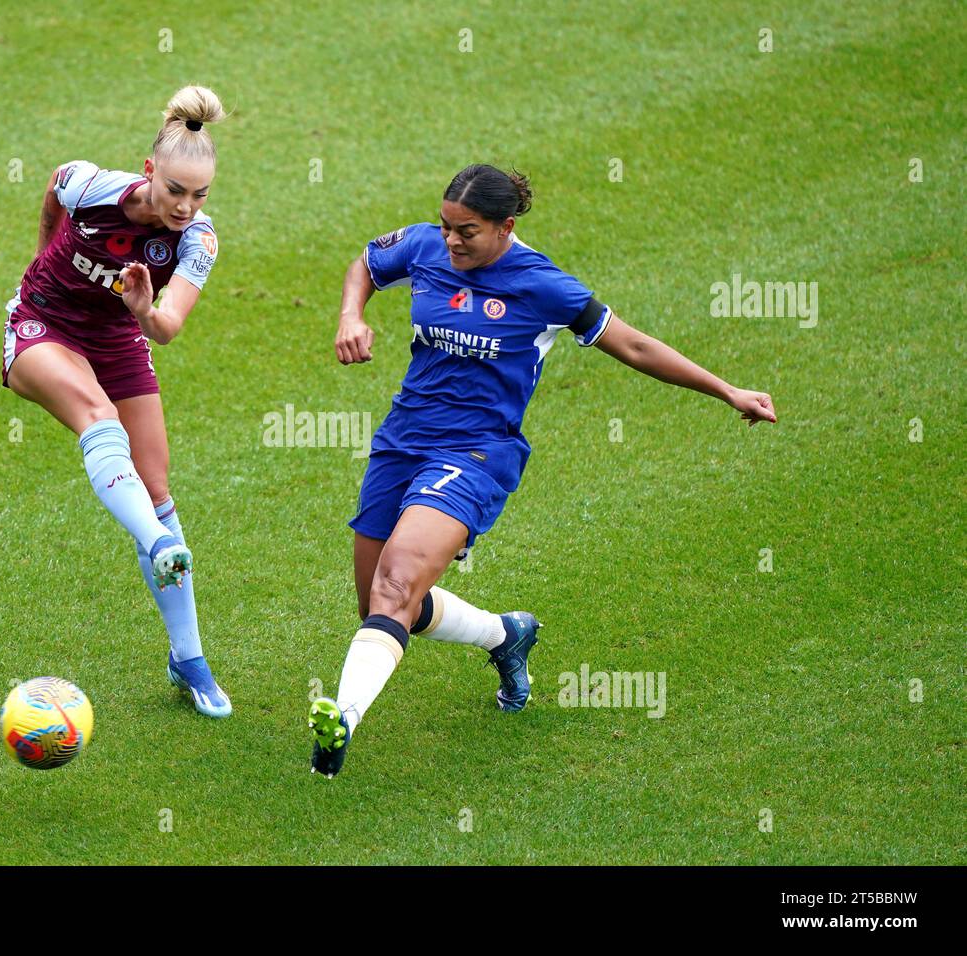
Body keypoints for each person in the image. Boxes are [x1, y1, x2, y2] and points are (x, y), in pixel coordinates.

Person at [310, 164, 777, 775]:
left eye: (467, 232)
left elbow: (634, 345)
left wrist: (727, 390)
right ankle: (506, 636)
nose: (451, 242)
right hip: (401, 441)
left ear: (507, 227)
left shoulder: (544, 286)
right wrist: (352, 314)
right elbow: (367, 267)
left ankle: (342, 719)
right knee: (379, 604)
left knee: (396, 587)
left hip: (475, 454)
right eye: (447, 226)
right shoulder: (426, 245)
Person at [1, 85, 231, 717]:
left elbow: (168, 327)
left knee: (158, 492)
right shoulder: (92, 186)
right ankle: (158, 546)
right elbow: (54, 186)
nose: (186, 206)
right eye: (176, 190)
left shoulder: (197, 242)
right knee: (99, 422)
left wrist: (141, 309)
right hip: (41, 324)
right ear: (150, 172)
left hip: (119, 337)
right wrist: (42, 249)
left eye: (200, 194)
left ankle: (188, 659)